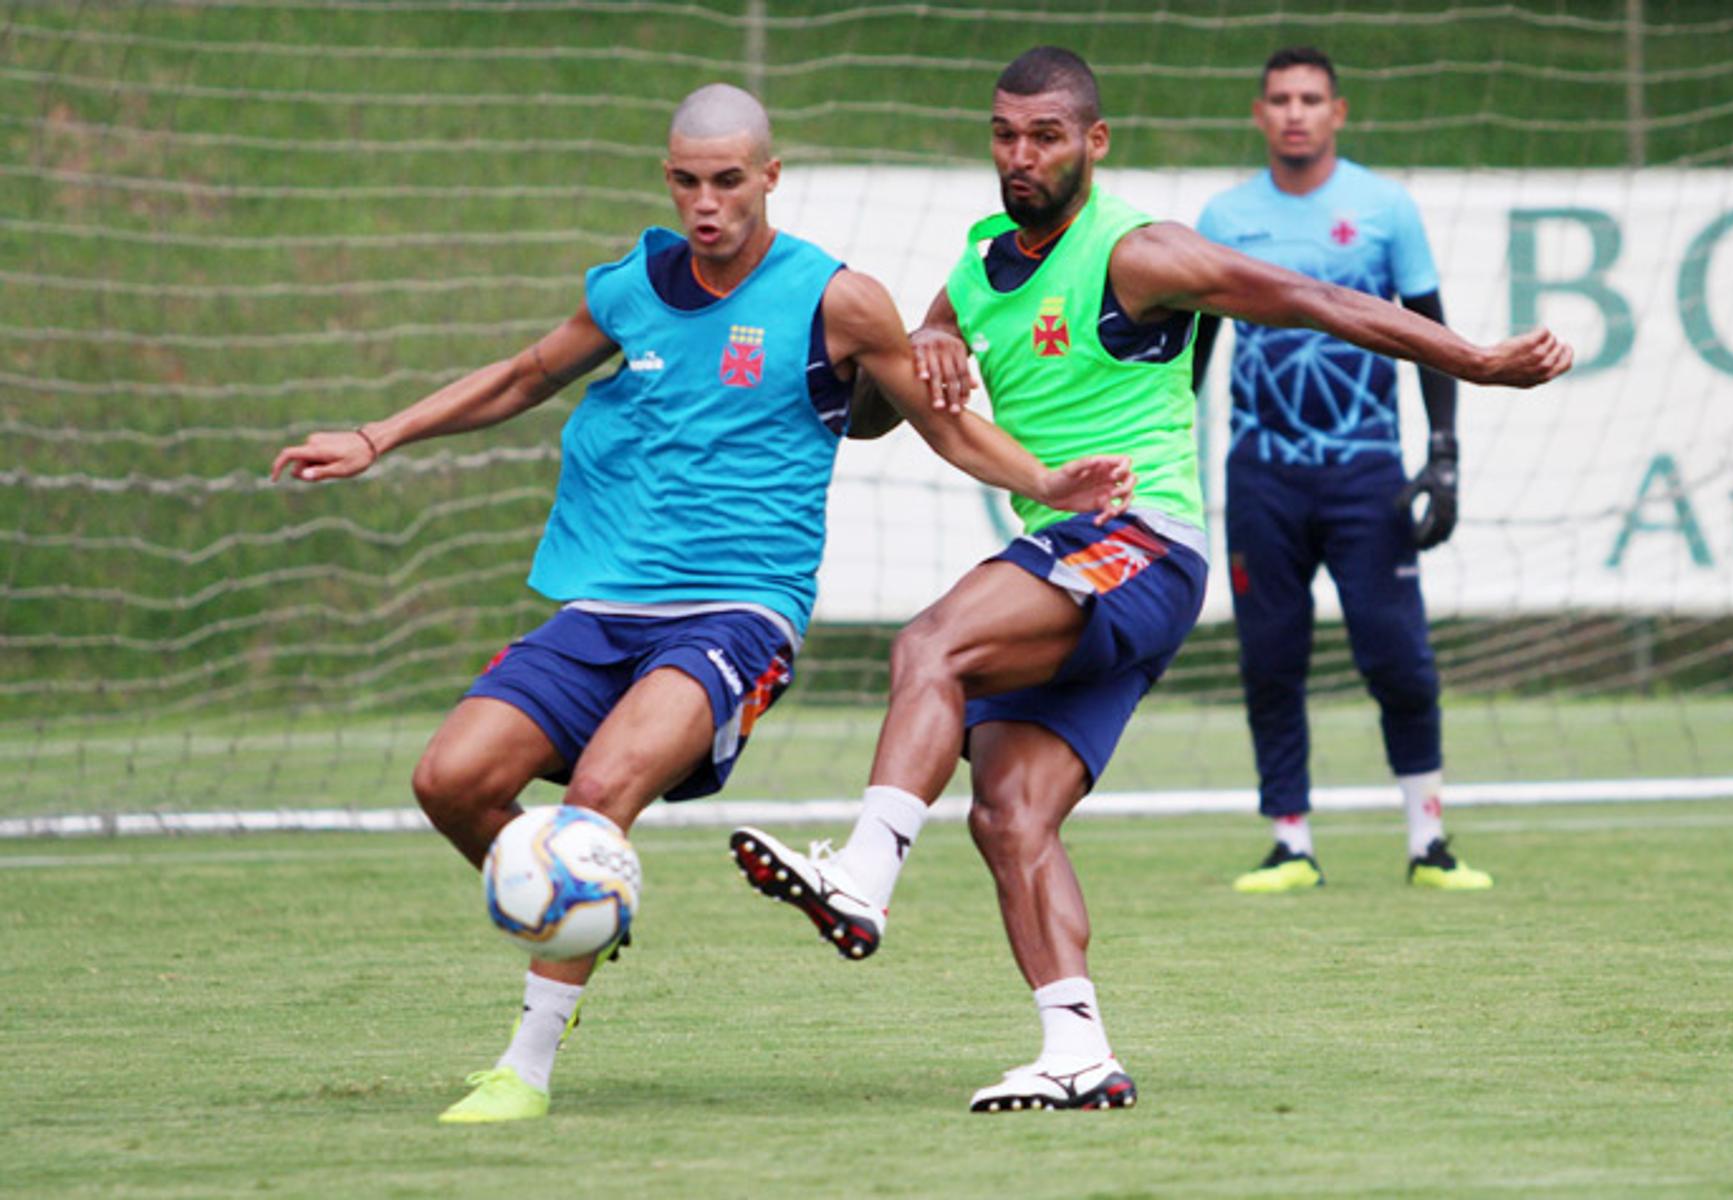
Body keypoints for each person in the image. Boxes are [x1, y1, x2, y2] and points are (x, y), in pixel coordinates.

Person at [268, 83, 1134, 1125]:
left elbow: (938, 426)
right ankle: (586, 905)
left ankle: (526, 1065)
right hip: (599, 611)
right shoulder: (634, 283)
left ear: (769, 177)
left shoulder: (837, 298)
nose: (707, 202)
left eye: (729, 181)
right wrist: (377, 436)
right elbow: (520, 376)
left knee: (601, 788)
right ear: (668, 180)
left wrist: (1043, 484)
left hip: (738, 613)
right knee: (448, 779)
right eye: (687, 181)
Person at [729, 47, 1571, 1113]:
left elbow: (1312, 298)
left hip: (1140, 546)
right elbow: (929, 349)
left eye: (1044, 136)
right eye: (1004, 134)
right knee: (1010, 813)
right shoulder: (985, 250)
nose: (1020, 155)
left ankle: (864, 874)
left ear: (1095, 141)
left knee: (928, 644)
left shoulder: (1139, 251)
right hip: (1071, 562)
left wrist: (1478, 364)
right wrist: (930, 339)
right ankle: (1077, 1050)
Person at [1193, 46, 1489, 896]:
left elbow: (1434, 335)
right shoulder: (1223, 217)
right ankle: (1291, 844)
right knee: (1270, 660)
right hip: (1262, 478)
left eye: (1310, 98)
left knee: (1398, 658)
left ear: (1338, 113)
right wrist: (1167, 453)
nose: (1294, 112)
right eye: (1280, 98)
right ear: (1259, 114)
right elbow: (1194, 355)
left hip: (1369, 478)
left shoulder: (1385, 208)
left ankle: (1427, 841)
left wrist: (1445, 455)